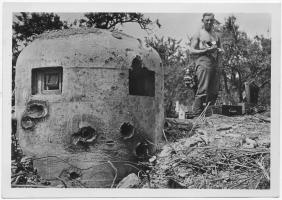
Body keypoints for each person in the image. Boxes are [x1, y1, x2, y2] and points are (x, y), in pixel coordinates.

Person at [187, 13, 221, 118]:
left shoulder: (216, 35)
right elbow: (191, 50)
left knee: (214, 91)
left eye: (211, 20)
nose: (209, 22)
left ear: (214, 21)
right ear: (203, 20)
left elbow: (220, 49)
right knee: (203, 89)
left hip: (214, 64)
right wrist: (206, 50)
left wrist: (220, 51)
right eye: (207, 20)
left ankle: (208, 114)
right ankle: (196, 115)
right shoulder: (199, 33)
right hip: (203, 62)